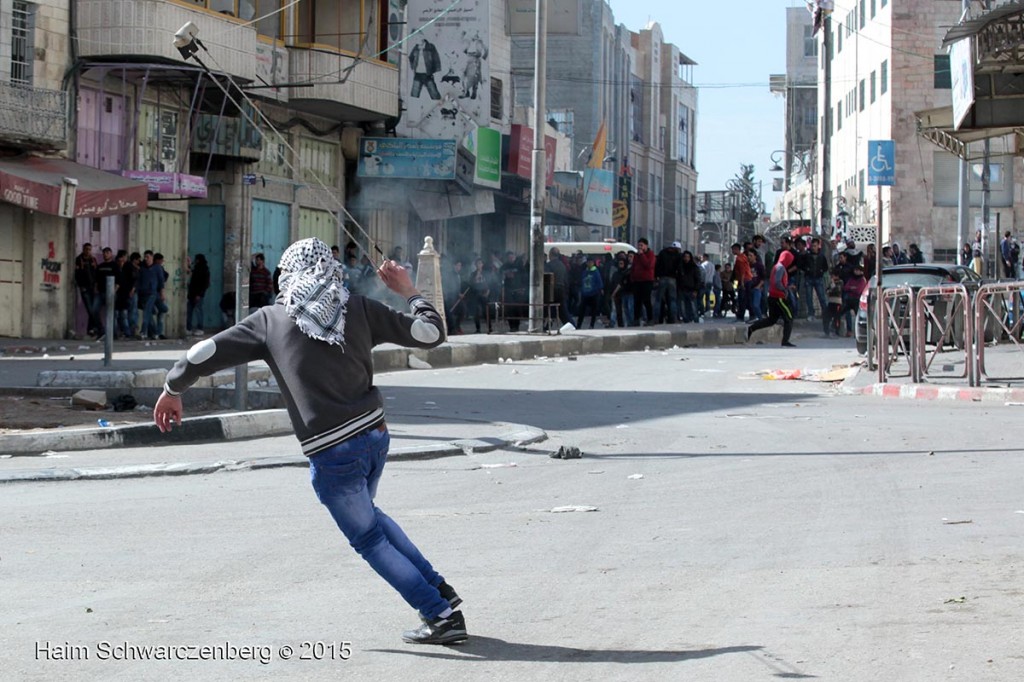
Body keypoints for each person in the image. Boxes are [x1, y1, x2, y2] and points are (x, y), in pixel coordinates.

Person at [152, 238, 465, 645]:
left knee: (367, 537)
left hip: (334, 452)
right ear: (330, 268)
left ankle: (439, 615)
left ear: (286, 274)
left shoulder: (271, 320)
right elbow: (430, 334)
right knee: (370, 517)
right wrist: (409, 291)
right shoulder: (358, 307)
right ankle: (440, 591)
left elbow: (201, 353)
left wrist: (172, 387)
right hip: (375, 435)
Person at [746, 250, 796, 347]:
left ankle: (752, 328)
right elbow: (777, 282)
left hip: (772, 296)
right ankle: (785, 341)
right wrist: (785, 290)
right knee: (789, 317)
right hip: (779, 297)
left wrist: (787, 287)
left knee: (772, 320)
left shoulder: (776, 266)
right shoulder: (781, 268)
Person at [75, 243, 103, 338]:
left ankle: (90, 330)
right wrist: (81, 286)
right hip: (85, 288)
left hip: (93, 287)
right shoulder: (79, 260)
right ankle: (98, 329)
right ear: (83, 249)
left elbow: (97, 272)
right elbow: (77, 274)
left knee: (94, 310)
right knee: (90, 310)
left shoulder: (93, 260)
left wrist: (96, 285)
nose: (88, 251)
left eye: (89, 249)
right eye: (86, 249)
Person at [631, 238, 656, 325]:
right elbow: (634, 267)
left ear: (646, 246)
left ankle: (650, 319)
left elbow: (648, 265)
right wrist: (633, 277)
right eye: (639, 245)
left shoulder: (650, 254)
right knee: (637, 301)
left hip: (647, 280)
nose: (640, 247)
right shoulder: (636, 256)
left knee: (646, 300)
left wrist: (642, 255)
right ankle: (636, 319)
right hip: (637, 281)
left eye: (642, 245)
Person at [576, 256, 604, 329]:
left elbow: (599, 282)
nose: (589, 264)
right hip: (585, 294)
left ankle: (592, 325)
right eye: (588, 262)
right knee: (582, 310)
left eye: (591, 262)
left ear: (593, 263)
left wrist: (600, 290)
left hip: (594, 294)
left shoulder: (596, 271)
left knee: (593, 310)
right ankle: (578, 325)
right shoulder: (585, 272)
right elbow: (581, 281)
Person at [187, 254, 211, 336]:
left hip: (197, 295)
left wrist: (199, 294)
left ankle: (200, 328)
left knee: (198, 311)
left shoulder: (204, 270)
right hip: (192, 294)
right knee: (189, 311)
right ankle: (188, 328)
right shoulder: (198, 268)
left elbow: (205, 284)